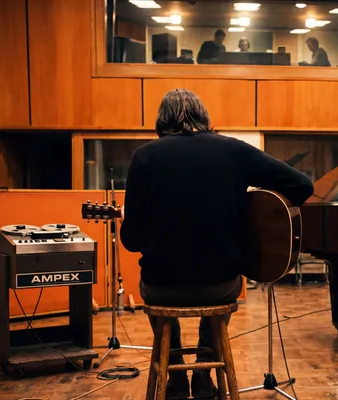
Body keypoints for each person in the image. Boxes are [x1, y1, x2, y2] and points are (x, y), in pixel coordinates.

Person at [120, 88, 313, 399]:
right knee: (218, 288)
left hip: (161, 286)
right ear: (204, 116)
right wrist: (252, 208)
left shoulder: (144, 157)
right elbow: (302, 186)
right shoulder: (234, 150)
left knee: (158, 293)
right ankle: (203, 375)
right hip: (221, 284)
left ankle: (175, 375)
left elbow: (131, 241)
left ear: (161, 121)